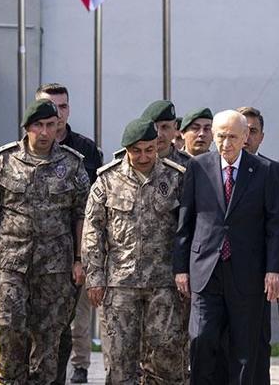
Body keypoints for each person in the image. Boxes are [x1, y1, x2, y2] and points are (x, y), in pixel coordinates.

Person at [173, 110, 279, 384]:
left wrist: (274, 270)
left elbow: (276, 225)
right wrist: (181, 269)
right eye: (220, 136)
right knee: (201, 341)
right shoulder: (197, 168)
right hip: (205, 272)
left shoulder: (264, 171)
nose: (226, 143)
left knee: (244, 350)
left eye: (232, 137)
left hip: (247, 273)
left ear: (246, 136)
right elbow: (185, 222)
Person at [0, 99, 90, 383]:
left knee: (48, 334)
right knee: (10, 326)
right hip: (13, 263)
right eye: (38, 126)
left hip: (55, 266)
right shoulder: (4, 161)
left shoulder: (71, 164)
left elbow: (82, 214)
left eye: (50, 125)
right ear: (27, 127)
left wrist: (80, 260)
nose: (44, 132)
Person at [83, 118, 188, 384]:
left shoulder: (175, 178)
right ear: (127, 149)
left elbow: (188, 230)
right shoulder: (107, 180)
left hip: (164, 285)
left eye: (149, 149)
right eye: (136, 150)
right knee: (120, 362)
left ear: (157, 145)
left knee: (166, 358)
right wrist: (95, 277)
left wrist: (185, 272)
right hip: (120, 286)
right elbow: (92, 231)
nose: (143, 156)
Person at [35, 82, 103, 384]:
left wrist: (87, 253)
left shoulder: (87, 150)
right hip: (34, 255)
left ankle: (79, 367)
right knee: (37, 326)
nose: (57, 114)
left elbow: (96, 203)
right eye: (49, 108)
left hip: (76, 248)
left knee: (74, 320)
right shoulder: (23, 149)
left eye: (62, 107)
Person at [236, 105, 279, 385]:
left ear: (262, 136)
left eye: (253, 131)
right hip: (221, 271)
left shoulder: (277, 172)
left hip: (261, 275)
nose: (246, 138)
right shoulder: (211, 169)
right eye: (241, 131)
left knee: (258, 342)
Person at [141, 100, 191, 166]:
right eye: (154, 128)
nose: (159, 134)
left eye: (165, 127)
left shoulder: (189, 164)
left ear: (175, 127)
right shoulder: (128, 160)